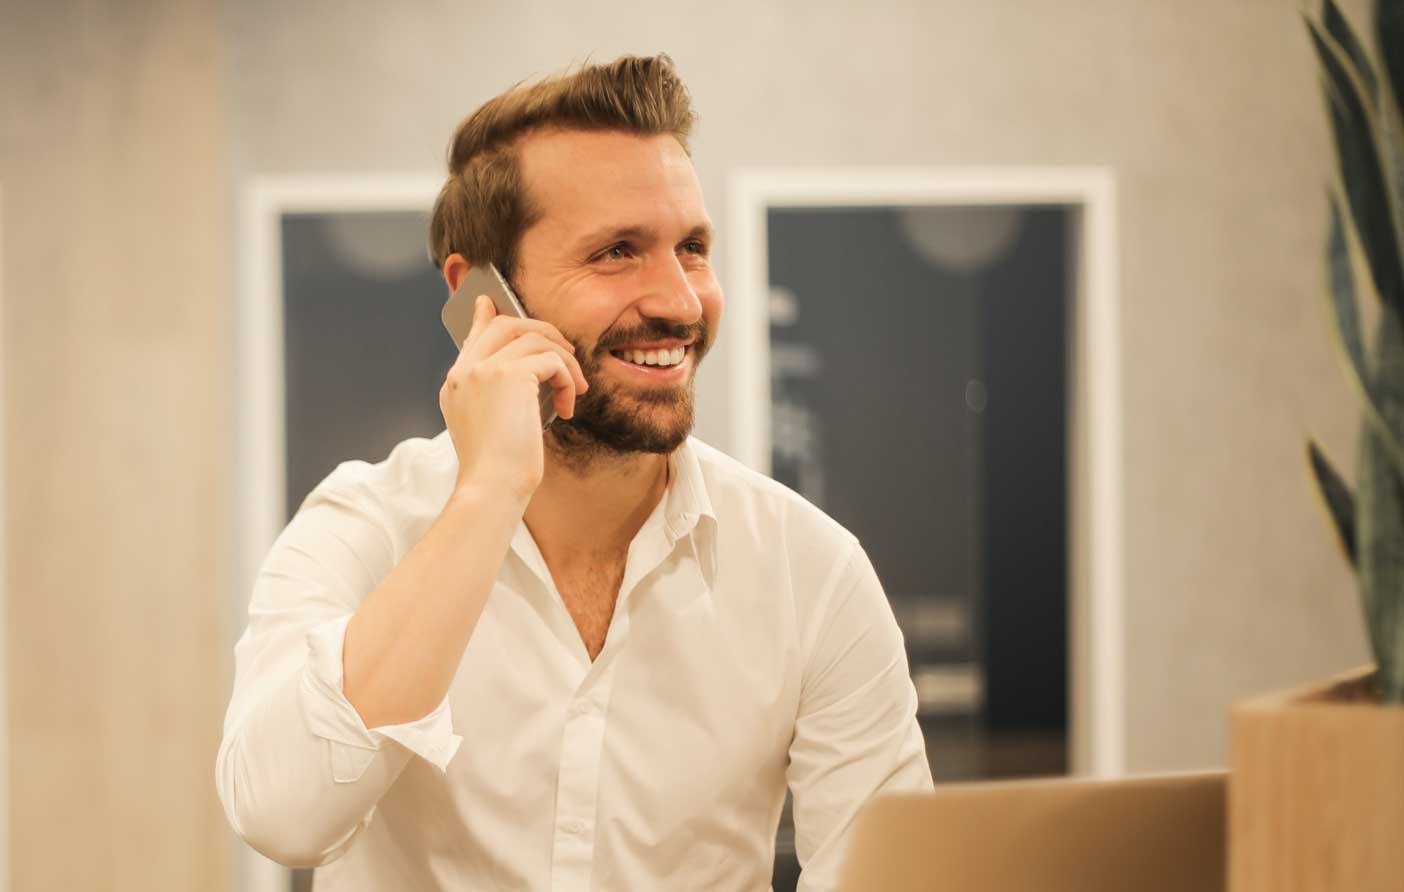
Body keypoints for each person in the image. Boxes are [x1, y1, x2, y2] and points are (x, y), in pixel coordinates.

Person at [216, 54, 933, 891]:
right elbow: (283, 819)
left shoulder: (811, 571)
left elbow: (890, 876)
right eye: (617, 252)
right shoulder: (361, 527)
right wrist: (487, 495)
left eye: (692, 248)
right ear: (481, 295)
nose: (679, 300)